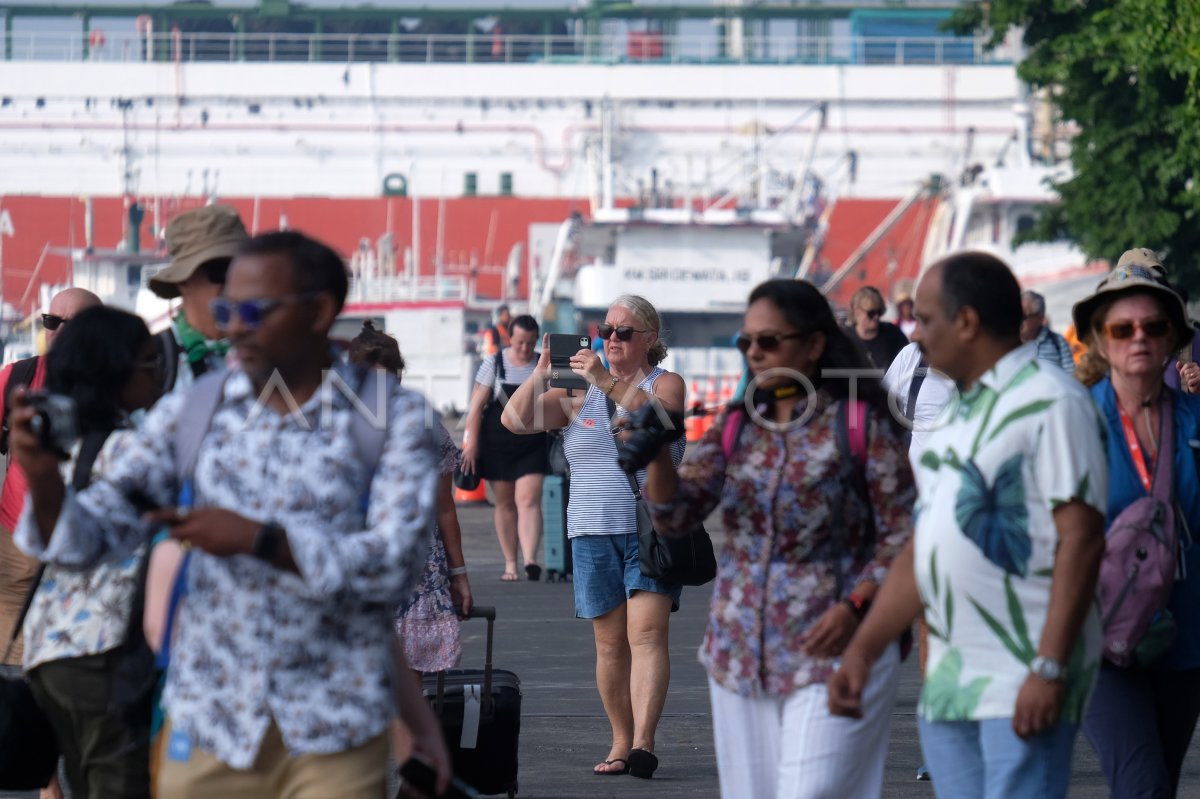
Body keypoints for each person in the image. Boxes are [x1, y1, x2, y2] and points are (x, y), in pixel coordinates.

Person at [11, 230, 450, 798]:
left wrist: (260, 540)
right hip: (209, 722)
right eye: (225, 309)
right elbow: (88, 535)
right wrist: (45, 482)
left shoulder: (390, 417)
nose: (233, 326)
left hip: (333, 723)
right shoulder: (194, 409)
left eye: (251, 310)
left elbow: (393, 568)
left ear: (318, 312)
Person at [828, 251, 1109, 799]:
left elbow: (1082, 540)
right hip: (953, 681)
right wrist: (864, 647)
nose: (915, 333)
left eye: (926, 319)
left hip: (1023, 675)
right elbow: (924, 543)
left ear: (967, 322)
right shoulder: (956, 415)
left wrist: (1049, 668)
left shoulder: (1053, 403)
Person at [642, 280, 915, 798]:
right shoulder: (739, 424)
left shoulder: (859, 423)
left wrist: (856, 605)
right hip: (741, 652)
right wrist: (655, 453)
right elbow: (676, 518)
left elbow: (905, 535)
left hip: (835, 646)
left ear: (813, 344)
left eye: (769, 341)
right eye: (746, 343)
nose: (755, 353)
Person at [503, 294, 686, 779]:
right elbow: (514, 421)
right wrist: (542, 370)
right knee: (609, 647)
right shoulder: (576, 392)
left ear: (649, 338)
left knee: (646, 634)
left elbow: (663, 419)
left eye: (624, 333)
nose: (612, 340)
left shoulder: (664, 382)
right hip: (590, 529)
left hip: (649, 530)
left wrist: (606, 380)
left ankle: (644, 741)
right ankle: (621, 740)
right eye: (607, 332)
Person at [17, 306, 165, 798]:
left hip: (49, 649)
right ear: (116, 369)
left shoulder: (69, 442)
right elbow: (75, 543)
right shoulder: (131, 450)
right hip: (104, 649)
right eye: (148, 360)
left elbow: (34, 539)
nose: (159, 370)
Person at [1070, 263, 1200, 798]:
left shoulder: (1194, 422)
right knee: (1143, 787)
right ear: (1101, 339)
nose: (1139, 338)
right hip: (1097, 638)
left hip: (1186, 635)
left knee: (1157, 785)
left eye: (1153, 327)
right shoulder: (1072, 420)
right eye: (1123, 329)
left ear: (1173, 337)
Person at [462, 314, 547, 581]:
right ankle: (511, 563)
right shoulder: (493, 364)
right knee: (505, 503)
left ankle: (531, 560)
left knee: (529, 500)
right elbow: (475, 408)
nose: (525, 348)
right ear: (510, 337)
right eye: (521, 341)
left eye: (530, 342)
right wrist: (471, 444)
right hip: (496, 442)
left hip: (533, 441)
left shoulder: (541, 364)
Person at [147, 204, 248, 392]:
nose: (236, 281)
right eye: (222, 269)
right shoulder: (152, 361)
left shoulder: (278, 354)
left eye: (244, 268)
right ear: (184, 281)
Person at [845, 286, 908, 370]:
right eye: (871, 313)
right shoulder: (845, 338)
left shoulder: (893, 333)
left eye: (879, 312)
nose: (876, 317)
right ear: (857, 312)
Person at [1020, 290, 1075, 374]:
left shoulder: (1058, 342)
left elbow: (1071, 374)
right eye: (1016, 315)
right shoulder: (1007, 344)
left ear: (1040, 318)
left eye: (1024, 317)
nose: (1018, 320)